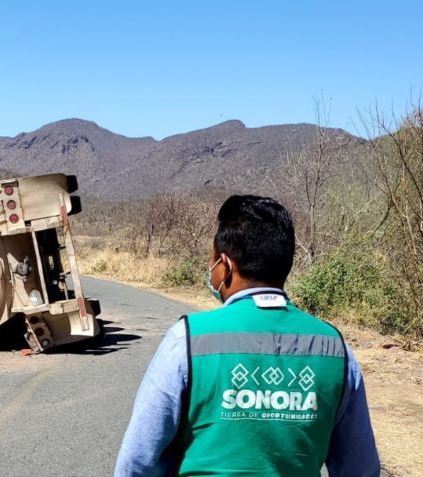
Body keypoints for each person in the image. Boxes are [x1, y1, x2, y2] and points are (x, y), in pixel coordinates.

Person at [114, 195, 380, 477]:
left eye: (212, 261)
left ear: (225, 266)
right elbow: (360, 468)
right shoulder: (335, 349)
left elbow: (137, 460)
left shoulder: (187, 340)